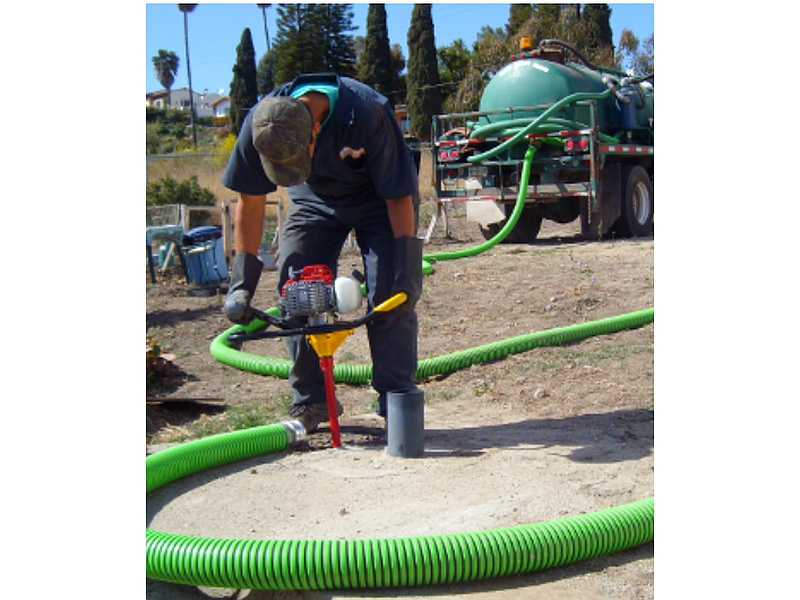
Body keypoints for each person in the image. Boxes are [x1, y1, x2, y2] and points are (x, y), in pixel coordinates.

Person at [221, 73, 423, 434]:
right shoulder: (261, 125)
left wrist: (406, 267)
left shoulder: (367, 113)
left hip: (379, 199)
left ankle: (395, 398)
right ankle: (311, 400)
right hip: (312, 201)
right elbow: (250, 203)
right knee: (297, 291)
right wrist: (240, 283)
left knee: (390, 293)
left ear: (315, 128)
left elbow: (398, 197)